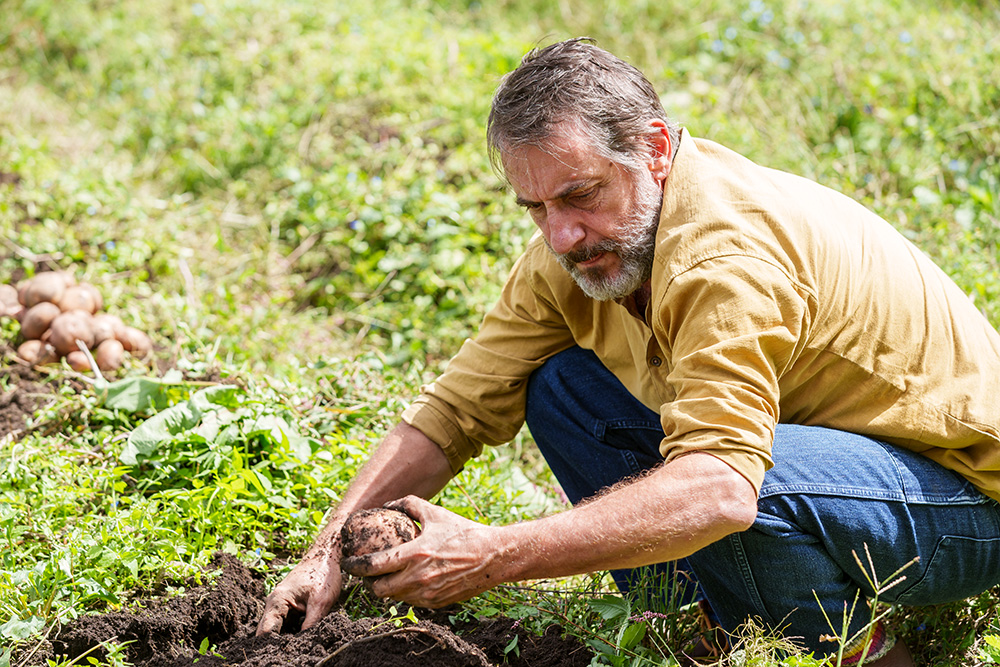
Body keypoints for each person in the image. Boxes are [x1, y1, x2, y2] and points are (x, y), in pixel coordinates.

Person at [257, 38, 1000, 666]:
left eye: (580, 195)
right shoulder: (573, 254)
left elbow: (719, 489)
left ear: (652, 149)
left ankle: (868, 654)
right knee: (558, 386)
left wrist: (493, 554)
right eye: (537, 207)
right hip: (832, 460)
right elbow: (453, 411)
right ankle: (704, 626)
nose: (561, 236)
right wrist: (324, 547)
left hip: (961, 494)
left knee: (744, 489)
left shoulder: (724, 259)